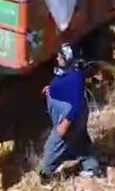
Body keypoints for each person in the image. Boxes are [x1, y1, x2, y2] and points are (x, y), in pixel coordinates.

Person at [39, 44, 104, 183]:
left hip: (69, 115)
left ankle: (46, 174)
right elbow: (64, 83)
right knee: (79, 138)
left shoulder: (75, 77)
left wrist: (65, 123)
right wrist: (52, 89)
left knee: (54, 144)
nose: (57, 58)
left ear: (67, 58)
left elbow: (78, 104)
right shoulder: (70, 71)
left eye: (60, 56)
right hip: (70, 113)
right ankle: (92, 167)